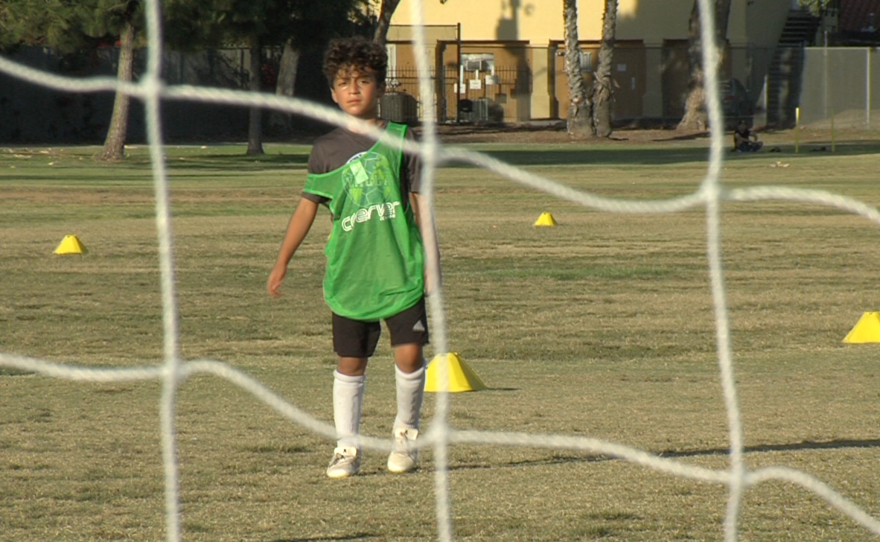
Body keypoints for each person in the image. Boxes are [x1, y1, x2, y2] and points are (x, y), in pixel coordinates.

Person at [267, 36, 440, 479]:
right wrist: (283, 260)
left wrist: (433, 264)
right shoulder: (325, 150)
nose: (354, 89)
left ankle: (405, 436)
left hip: (400, 270)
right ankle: (348, 447)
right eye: (344, 82)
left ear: (379, 87)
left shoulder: (403, 139)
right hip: (351, 277)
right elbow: (307, 206)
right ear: (332, 93)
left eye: (363, 80)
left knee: (409, 354)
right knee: (351, 363)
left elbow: (421, 205)